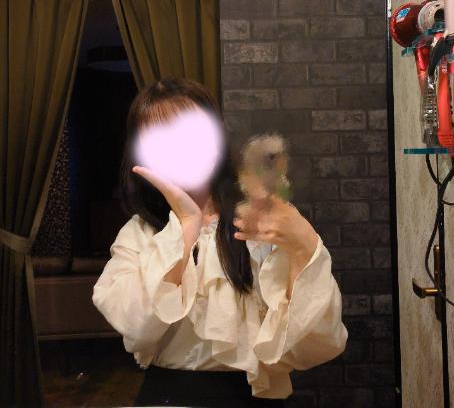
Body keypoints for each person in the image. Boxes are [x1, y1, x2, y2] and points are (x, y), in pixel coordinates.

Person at [92, 77, 348, 407]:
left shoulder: (262, 219)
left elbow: (316, 341)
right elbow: (137, 327)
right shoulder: (139, 234)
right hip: (168, 397)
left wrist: (305, 242)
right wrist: (186, 226)